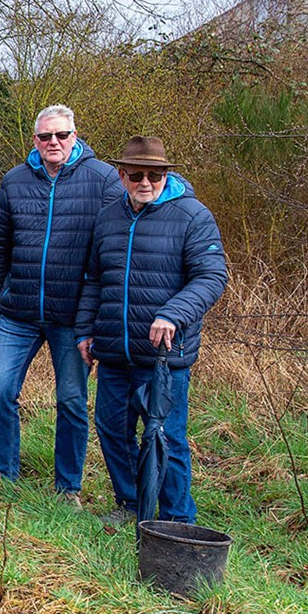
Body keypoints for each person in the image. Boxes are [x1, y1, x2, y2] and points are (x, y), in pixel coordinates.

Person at [76, 136, 228, 526]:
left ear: (166, 175)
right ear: (122, 175)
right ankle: (131, 505)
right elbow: (95, 279)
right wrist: (85, 331)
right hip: (114, 351)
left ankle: (176, 520)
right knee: (112, 430)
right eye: (136, 175)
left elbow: (212, 277)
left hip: (164, 356)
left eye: (155, 175)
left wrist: (173, 314)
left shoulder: (192, 216)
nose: (145, 182)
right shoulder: (108, 217)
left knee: (167, 438)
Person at [0, 104, 122, 506]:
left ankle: (68, 487)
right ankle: (3, 476)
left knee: (72, 400)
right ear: (35, 140)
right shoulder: (14, 181)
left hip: (74, 317)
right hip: (19, 312)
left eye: (61, 135)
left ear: (74, 136)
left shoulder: (103, 179)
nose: (54, 142)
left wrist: (98, 317)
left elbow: (112, 249)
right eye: (46, 136)